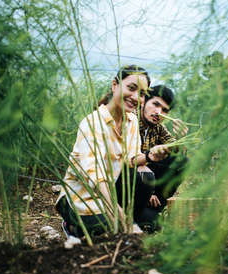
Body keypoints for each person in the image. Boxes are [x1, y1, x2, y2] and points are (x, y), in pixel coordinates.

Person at [55, 65, 169, 238]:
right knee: (110, 226)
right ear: (115, 85)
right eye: (131, 88)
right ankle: (71, 226)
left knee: (153, 215)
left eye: (142, 94)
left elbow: (130, 161)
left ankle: (123, 219)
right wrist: (120, 216)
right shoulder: (93, 124)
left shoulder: (131, 121)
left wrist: (149, 156)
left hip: (109, 193)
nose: (136, 97)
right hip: (79, 198)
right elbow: (97, 179)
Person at [137, 85, 189, 228]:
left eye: (165, 110)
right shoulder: (130, 120)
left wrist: (180, 139)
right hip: (130, 180)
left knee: (182, 162)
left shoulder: (158, 128)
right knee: (152, 224)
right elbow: (127, 161)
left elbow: (173, 151)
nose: (158, 112)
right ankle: (143, 206)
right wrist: (149, 191)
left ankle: (155, 206)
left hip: (148, 177)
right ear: (143, 102)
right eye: (155, 104)